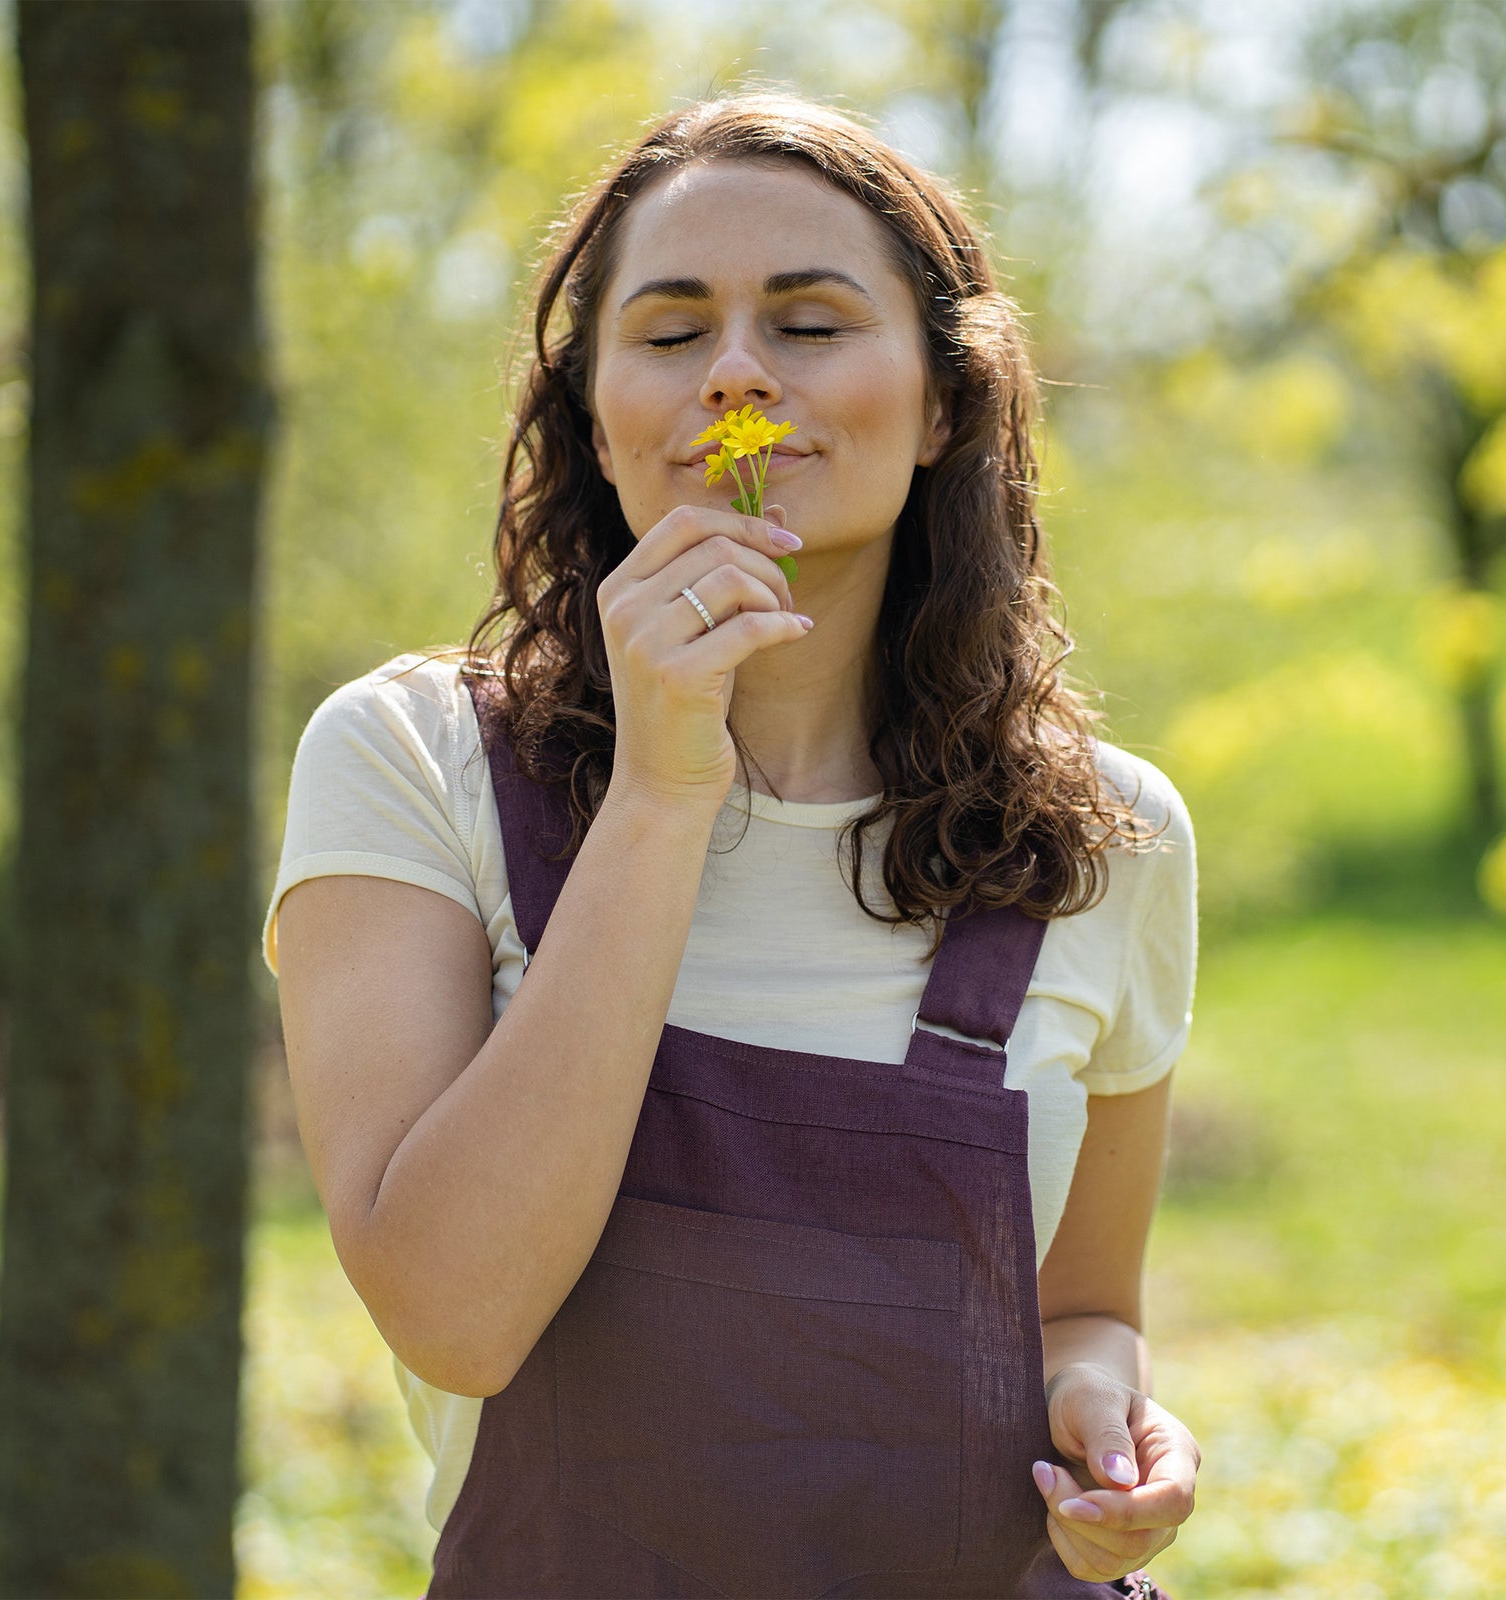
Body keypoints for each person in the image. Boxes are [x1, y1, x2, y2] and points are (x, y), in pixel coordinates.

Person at [264, 92, 1201, 1597]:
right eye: (673, 330)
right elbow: (455, 1315)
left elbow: (1087, 1307)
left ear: (945, 398)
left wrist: (1105, 1416)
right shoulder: (413, 762)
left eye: (814, 325)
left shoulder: (1105, 836)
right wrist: (659, 790)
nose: (740, 380)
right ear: (593, 409)